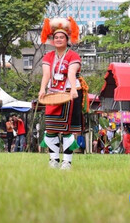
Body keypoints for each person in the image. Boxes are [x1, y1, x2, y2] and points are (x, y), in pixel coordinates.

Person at [38, 17, 89, 170]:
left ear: (68, 39)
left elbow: (71, 72)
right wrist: (42, 89)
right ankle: (53, 160)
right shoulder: (48, 56)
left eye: (62, 37)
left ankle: (67, 161)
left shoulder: (73, 56)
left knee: (67, 130)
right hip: (53, 95)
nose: (59, 39)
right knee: (51, 129)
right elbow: (46, 75)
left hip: (69, 94)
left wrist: (73, 89)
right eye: (56, 37)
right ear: (52, 40)